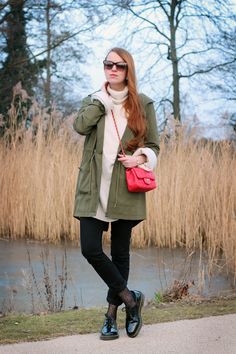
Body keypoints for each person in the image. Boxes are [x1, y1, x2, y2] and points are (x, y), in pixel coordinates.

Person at [73, 47, 159, 340]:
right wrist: (103, 102)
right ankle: (131, 299)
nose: (112, 69)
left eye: (119, 66)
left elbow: (154, 146)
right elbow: (80, 126)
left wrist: (141, 158)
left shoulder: (143, 104)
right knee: (90, 248)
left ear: (128, 70)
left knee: (120, 252)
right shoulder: (94, 100)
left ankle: (111, 316)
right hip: (93, 187)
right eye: (108, 64)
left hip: (125, 188)